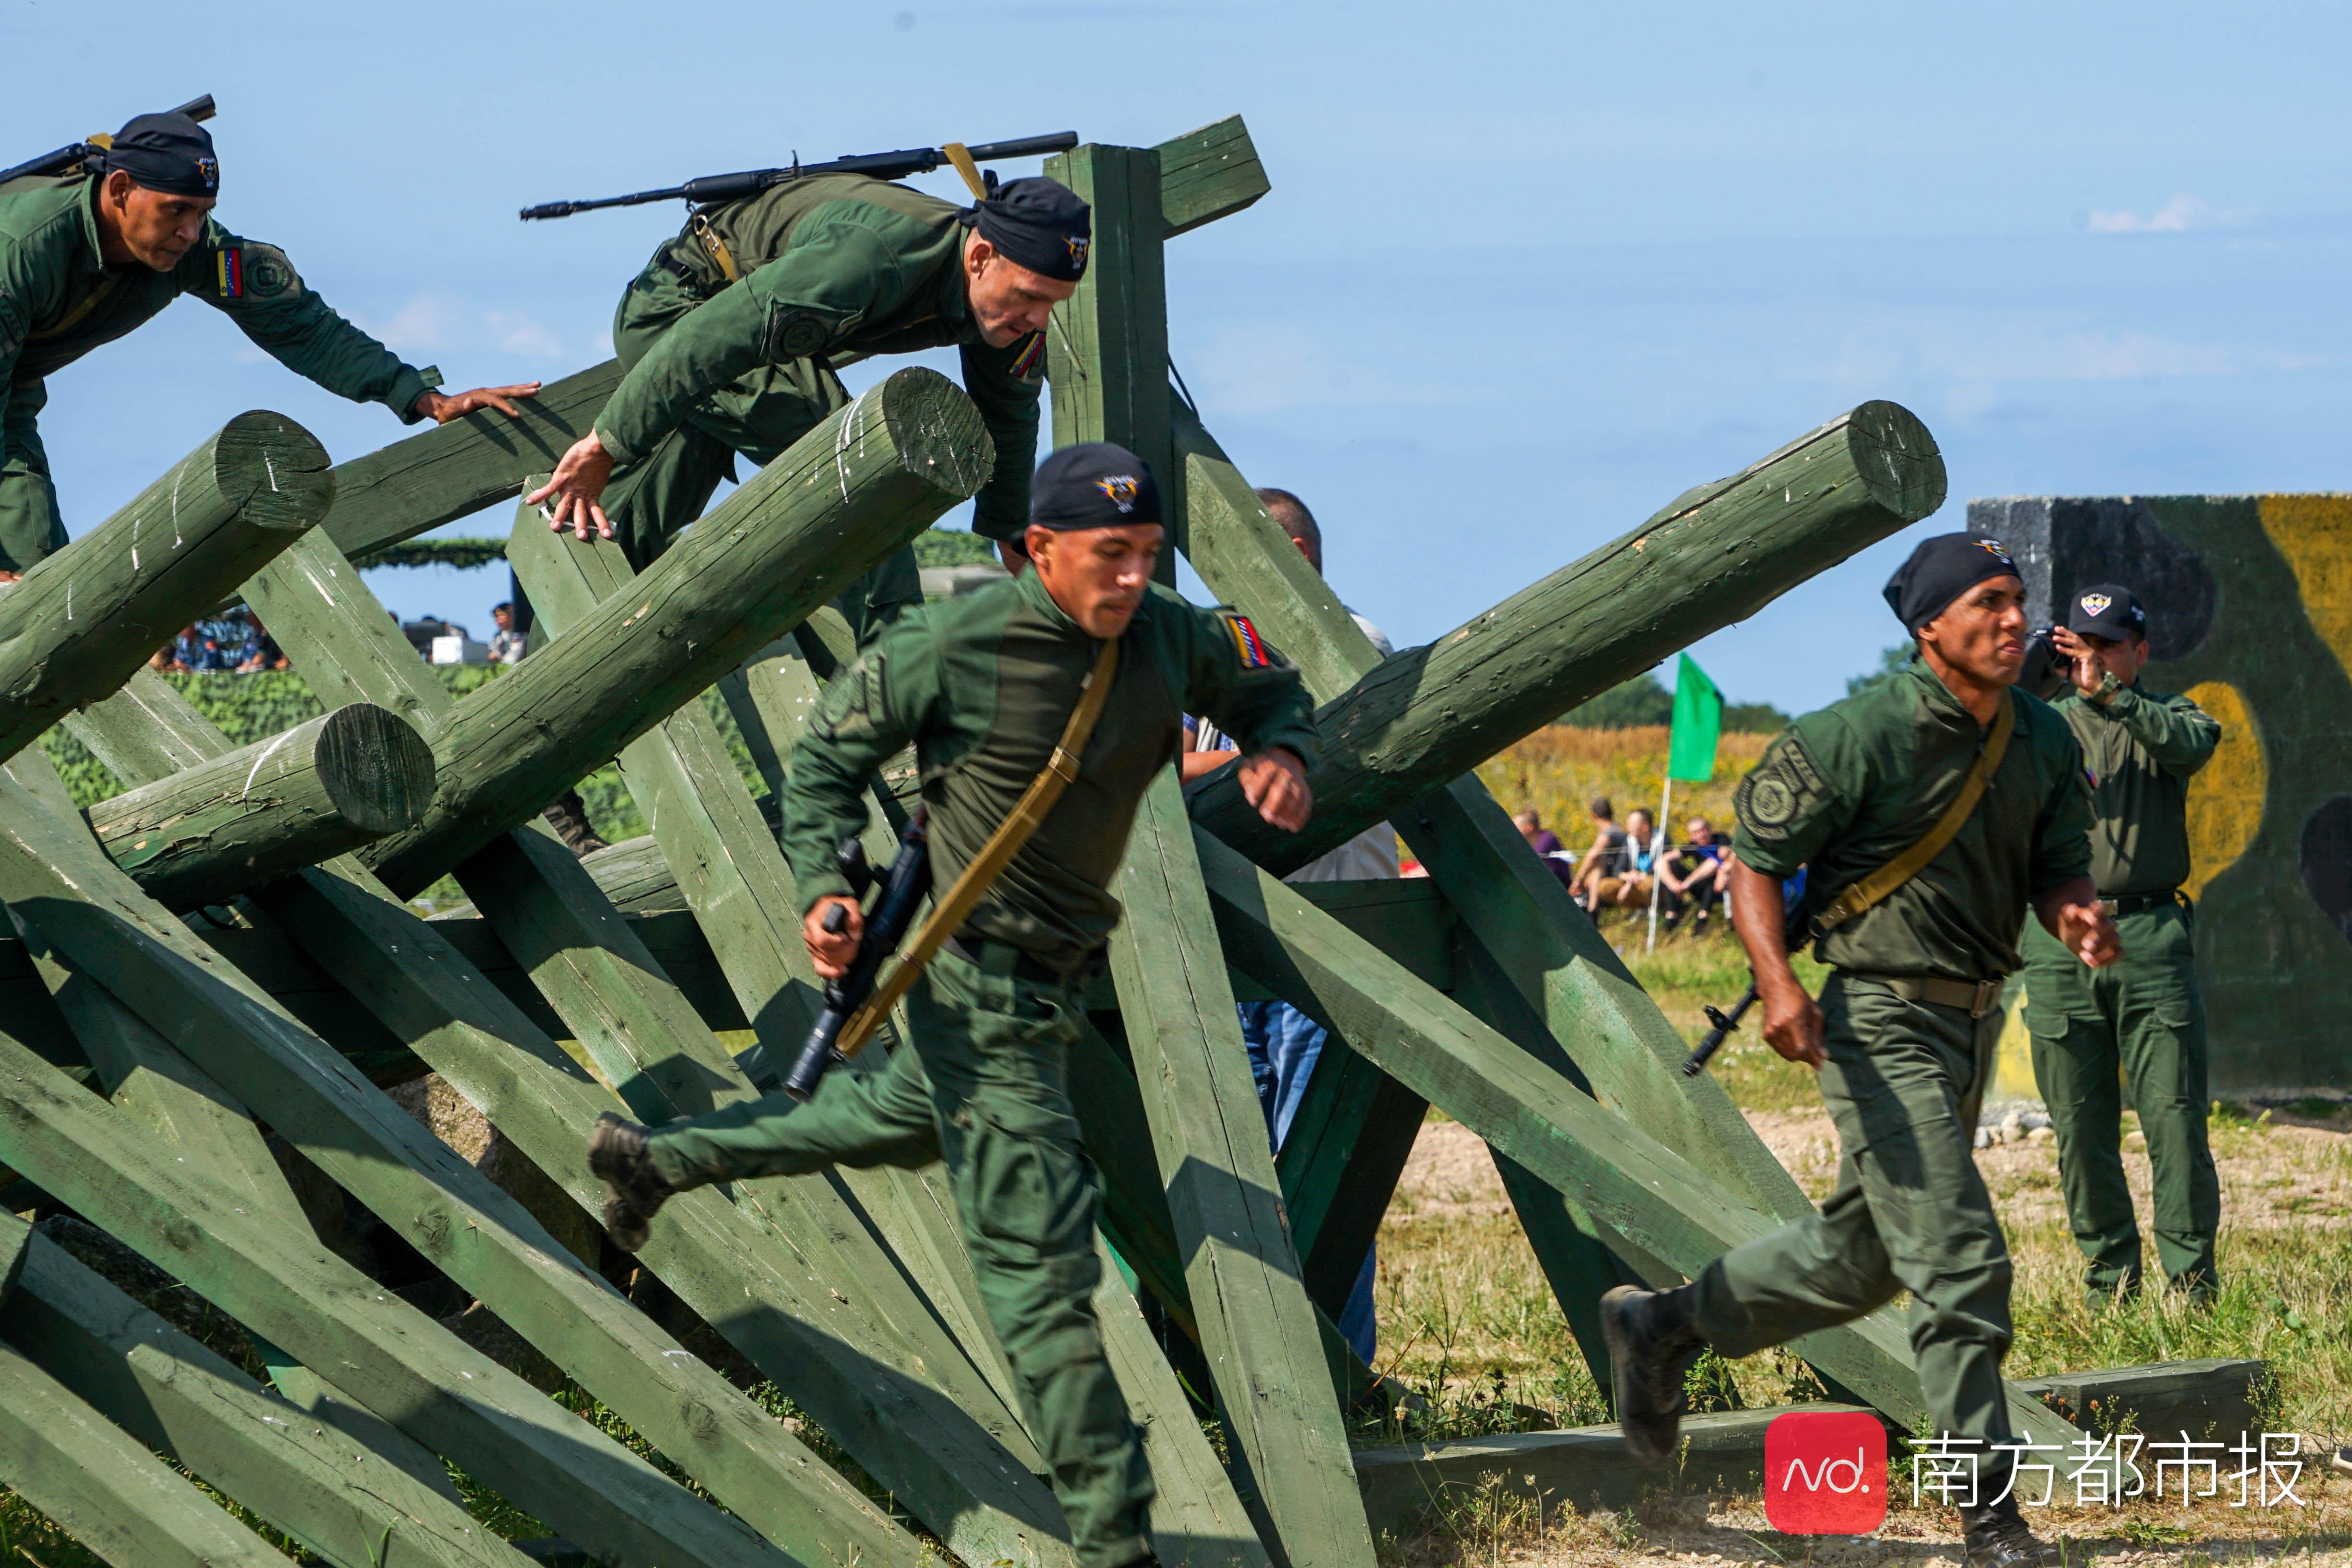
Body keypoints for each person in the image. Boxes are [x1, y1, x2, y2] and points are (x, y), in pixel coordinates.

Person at [586, 443, 1318, 1568]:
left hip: (1055, 985)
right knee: (1045, 1277)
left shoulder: (1172, 634)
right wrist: (828, 886)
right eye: (1106, 556)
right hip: (980, 991)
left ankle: (661, 1159)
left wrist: (1281, 749)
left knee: (884, 1117)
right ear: (1038, 550)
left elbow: (1267, 684)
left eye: (1146, 555)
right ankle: (1118, 1543)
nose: (1129, 578)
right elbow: (827, 752)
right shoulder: (954, 643)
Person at [1599, 533, 2120, 1568]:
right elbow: (1756, 861)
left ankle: (1663, 1326)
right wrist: (1783, 986)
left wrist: (2078, 917)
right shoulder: (1857, 732)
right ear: (1930, 626)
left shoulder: (2047, 743)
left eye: (2019, 600)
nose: (2015, 620)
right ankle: (1991, 1519)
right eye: (1989, 602)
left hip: (1975, 1020)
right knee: (1961, 1258)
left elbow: (2058, 867)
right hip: (1877, 1020)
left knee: (1863, 1260)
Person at [526, 169, 1088, 644]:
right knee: (862, 480)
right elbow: (709, 339)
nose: (1039, 319)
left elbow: (1010, 417)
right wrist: (607, 443)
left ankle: (539, 697)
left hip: (746, 344)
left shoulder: (1005, 310)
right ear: (982, 256)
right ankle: (899, 694)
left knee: (616, 532)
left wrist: (1013, 535)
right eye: (1031, 297)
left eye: (1054, 305)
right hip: (682, 313)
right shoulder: (873, 256)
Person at [0, 109, 538, 577]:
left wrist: (421, 396)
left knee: (36, 593)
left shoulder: (200, 251)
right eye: (176, 211)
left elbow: (300, 324)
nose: (191, 232)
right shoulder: (18, 251)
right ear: (119, 190)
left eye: (202, 212)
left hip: (10, 396)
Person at [1179, 485, 1388, 1363]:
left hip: (1326, 942)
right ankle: (1253, 1372)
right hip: (1232, 947)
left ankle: (1338, 1372)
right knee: (1237, 1180)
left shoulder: (1354, 642)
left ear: (1294, 557)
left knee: (1323, 1179)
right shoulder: (1213, 654)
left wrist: (1190, 760)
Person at [2020, 584, 2221, 1307]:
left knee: (2173, 1119)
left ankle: (2191, 1286)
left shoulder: (2172, 716)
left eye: (2109, 646)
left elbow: (2192, 748)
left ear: (2140, 650)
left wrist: (2115, 698)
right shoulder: (2040, 725)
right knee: (2078, 1128)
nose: (2095, 660)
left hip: (2148, 938)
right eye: (2083, 645)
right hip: (2056, 938)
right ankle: (2110, 1285)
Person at [1658, 815, 1730, 932]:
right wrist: (1673, 884)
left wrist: (1687, 883)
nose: (1701, 835)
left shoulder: (1722, 839)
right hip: (1699, 888)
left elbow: (1722, 857)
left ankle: (1703, 918)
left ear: (1710, 829)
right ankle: (1672, 916)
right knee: (1672, 866)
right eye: (1695, 833)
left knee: (1713, 866)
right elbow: (1663, 860)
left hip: (1720, 887)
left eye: (1703, 830)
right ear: (1691, 836)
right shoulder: (1693, 845)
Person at [1568, 795, 1631, 912]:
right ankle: (1590, 906)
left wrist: (1578, 880)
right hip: (1617, 870)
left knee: (1599, 862)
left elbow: (1593, 855)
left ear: (1594, 816)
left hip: (1618, 872)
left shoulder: (1609, 834)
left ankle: (1592, 909)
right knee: (1599, 863)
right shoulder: (1618, 830)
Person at [1514, 808, 1578, 887]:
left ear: (1529, 828)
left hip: (1558, 886)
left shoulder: (1547, 839)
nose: (1514, 831)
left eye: (1516, 827)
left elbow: (1531, 863)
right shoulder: (1528, 843)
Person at [487, 601, 528, 665]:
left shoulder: (521, 635)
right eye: (496, 618)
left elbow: (514, 657)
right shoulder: (499, 637)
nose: (498, 621)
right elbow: (493, 654)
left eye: (502, 616)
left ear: (511, 616)